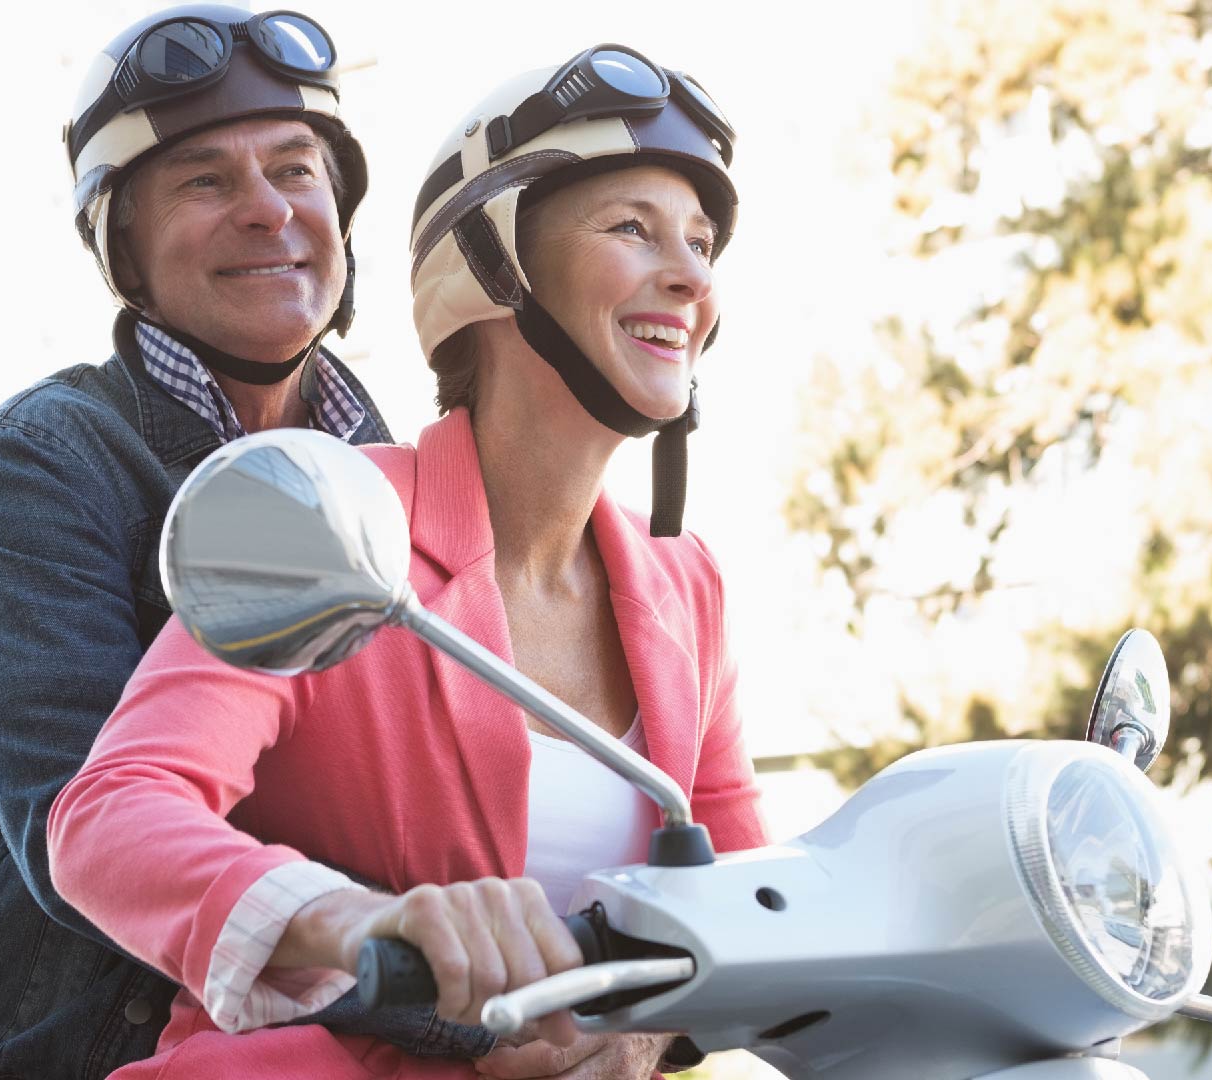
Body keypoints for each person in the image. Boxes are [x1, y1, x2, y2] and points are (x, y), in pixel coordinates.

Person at [48, 44, 764, 1079]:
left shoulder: (688, 587)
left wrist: (643, 1036)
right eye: (631, 229)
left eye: (701, 243)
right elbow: (108, 815)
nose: (692, 275)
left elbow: (752, 905)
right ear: (495, 264)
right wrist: (360, 924)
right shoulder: (330, 516)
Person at [0, 8, 479, 1078]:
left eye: (295, 170)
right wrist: (465, 1003)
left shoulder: (401, 486)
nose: (268, 212)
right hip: (61, 1052)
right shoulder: (46, 460)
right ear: (127, 249)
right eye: (205, 183)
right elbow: (86, 843)